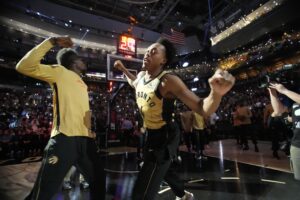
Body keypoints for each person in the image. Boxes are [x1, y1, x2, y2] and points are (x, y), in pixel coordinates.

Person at [114, 38, 235, 200]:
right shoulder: (142, 76)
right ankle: (183, 195)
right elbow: (133, 82)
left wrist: (216, 94)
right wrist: (123, 68)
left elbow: (202, 108)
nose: (147, 54)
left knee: (141, 190)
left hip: (166, 134)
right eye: (147, 51)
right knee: (165, 170)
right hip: (150, 133)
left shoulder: (167, 81)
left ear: (163, 60)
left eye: (153, 52)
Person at [16, 36, 106, 200]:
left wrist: (90, 133)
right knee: (43, 192)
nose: (83, 61)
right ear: (73, 62)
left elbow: (83, 112)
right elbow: (23, 66)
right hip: (64, 139)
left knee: (99, 180)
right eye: (80, 59)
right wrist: (51, 42)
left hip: (85, 141)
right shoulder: (59, 71)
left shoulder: (82, 83)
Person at [267, 82, 300, 180]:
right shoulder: (294, 103)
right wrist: (273, 93)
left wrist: (284, 91)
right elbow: (279, 111)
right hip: (297, 145)